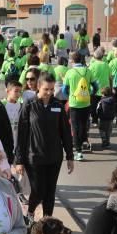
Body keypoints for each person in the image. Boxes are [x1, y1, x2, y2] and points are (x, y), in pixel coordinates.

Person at [15, 73, 74, 219]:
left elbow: (66, 133)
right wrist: (19, 160)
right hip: (34, 157)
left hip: (54, 157)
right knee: (38, 190)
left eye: (52, 89)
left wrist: (70, 156)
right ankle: (30, 212)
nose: (49, 93)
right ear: (38, 87)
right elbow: (21, 134)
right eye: (46, 89)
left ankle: (47, 221)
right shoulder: (29, 105)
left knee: (50, 192)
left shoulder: (58, 106)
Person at [63, 52, 94, 159]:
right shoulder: (88, 71)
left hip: (74, 103)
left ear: (72, 60)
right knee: (83, 125)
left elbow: (64, 89)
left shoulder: (70, 72)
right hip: (86, 102)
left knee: (75, 126)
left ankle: (79, 151)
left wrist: (70, 95)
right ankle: (83, 142)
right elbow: (96, 85)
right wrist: (90, 93)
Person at [88, 48, 112, 129]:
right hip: (105, 88)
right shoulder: (106, 65)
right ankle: (103, 119)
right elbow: (110, 78)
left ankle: (94, 120)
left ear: (94, 57)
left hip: (94, 89)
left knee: (93, 106)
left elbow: (88, 78)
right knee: (104, 106)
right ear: (102, 57)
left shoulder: (92, 66)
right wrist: (111, 88)